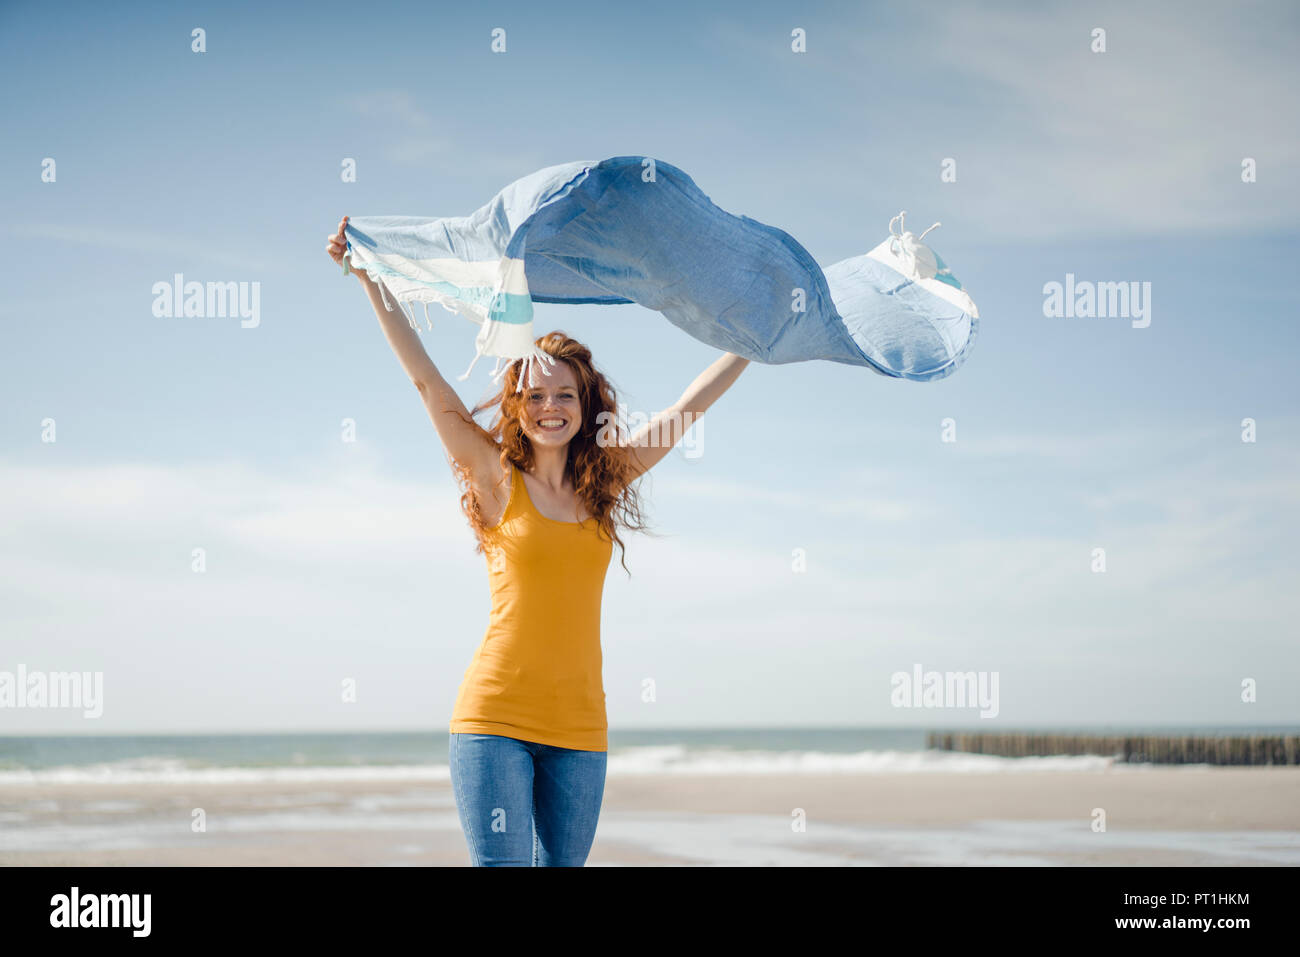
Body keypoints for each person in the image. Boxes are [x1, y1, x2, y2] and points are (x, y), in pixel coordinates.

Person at [327, 216, 749, 865]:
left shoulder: (604, 484)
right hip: (495, 720)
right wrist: (368, 279)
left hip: (581, 729)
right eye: (536, 394)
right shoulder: (497, 479)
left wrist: (753, 343)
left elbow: (687, 410)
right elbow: (427, 382)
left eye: (565, 394)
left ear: (586, 405)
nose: (551, 405)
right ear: (518, 404)